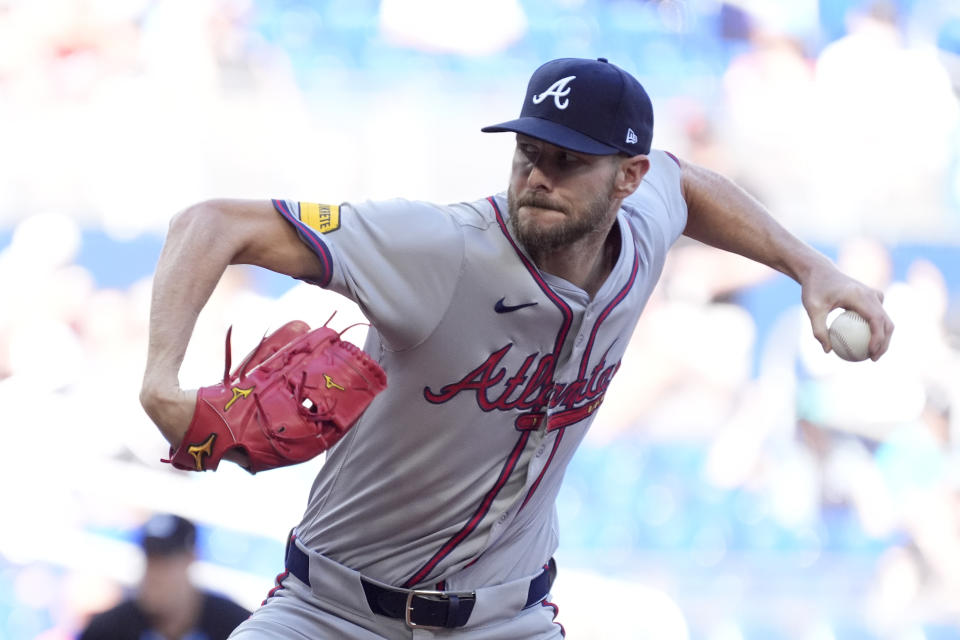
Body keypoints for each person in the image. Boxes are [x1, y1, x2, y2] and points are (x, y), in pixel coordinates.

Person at [138, 57, 894, 638]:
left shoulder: (646, 223)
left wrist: (813, 269)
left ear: (626, 177)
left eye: (568, 161)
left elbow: (685, 182)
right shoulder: (440, 247)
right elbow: (210, 222)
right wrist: (161, 385)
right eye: (529, 151)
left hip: (505, 620)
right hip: (331, 614)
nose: (539, 175)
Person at [79, 514, 251, 640]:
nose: (155, 575)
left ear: (191, 559)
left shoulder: (235, 625)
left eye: (165, 563)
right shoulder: (108, 629)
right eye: (150, 561)